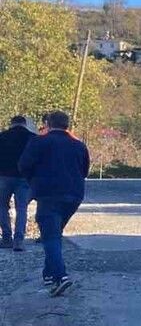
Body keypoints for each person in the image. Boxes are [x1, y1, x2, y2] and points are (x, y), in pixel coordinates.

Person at [18, 111, 90, 297]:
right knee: (54, 233)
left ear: (48, 124)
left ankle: (61, 277)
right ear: (67, 125)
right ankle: (49, 274)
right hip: (74, 195)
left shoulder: (39, 142)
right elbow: (85, 170)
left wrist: (34, 181)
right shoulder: (79, 145)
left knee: (50, 237)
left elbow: (23, 165)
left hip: (49, 194)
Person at [0, 115, 36, 251]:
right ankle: (19, 240)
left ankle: (6, 237)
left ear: (11, 124)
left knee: (2, 206)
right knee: (22, 208)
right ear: (24, 124)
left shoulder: (2, 136)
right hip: (24, 178)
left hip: (3, 176)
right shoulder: (32, 138)